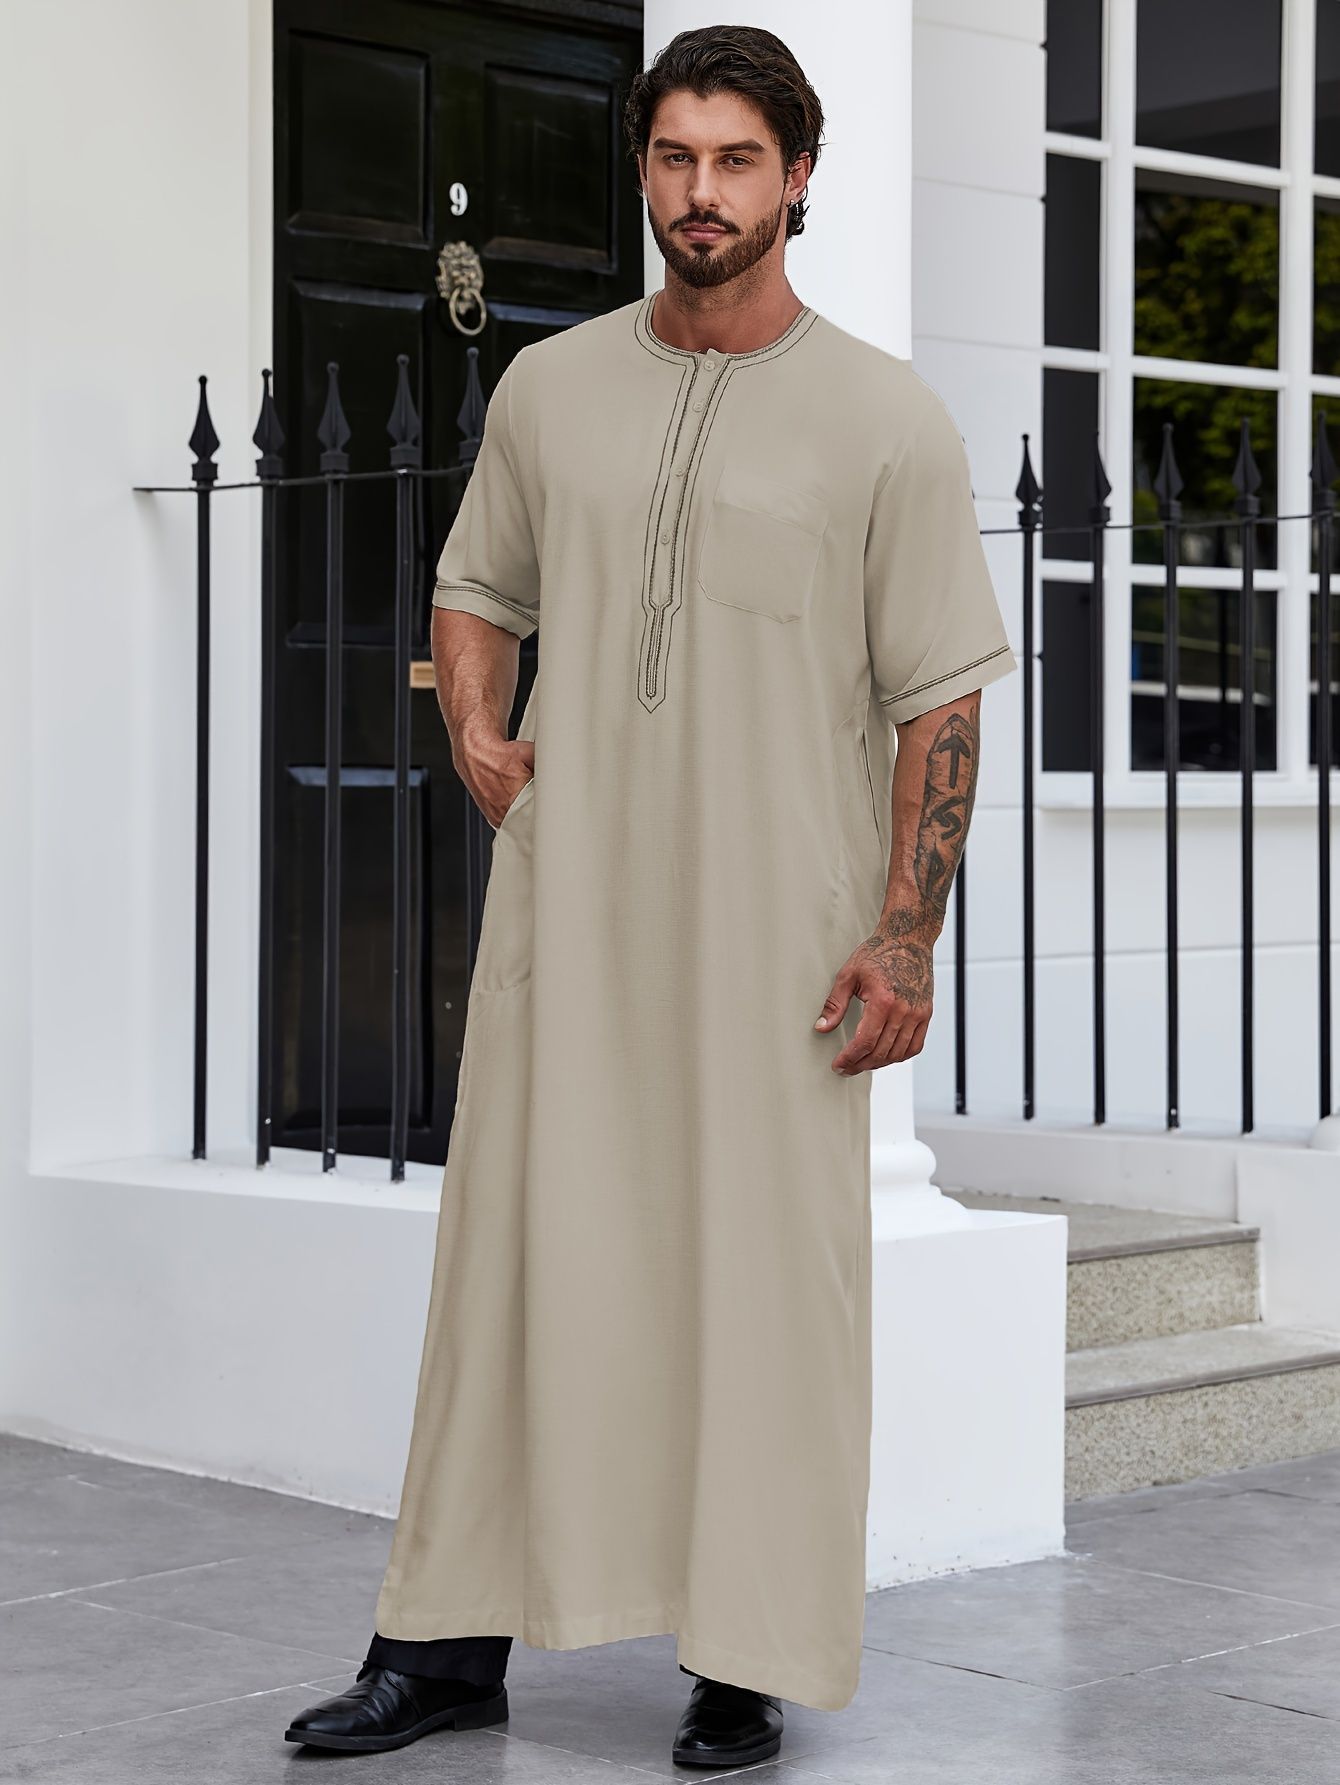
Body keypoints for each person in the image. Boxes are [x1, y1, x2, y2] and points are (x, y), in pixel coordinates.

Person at [284, 20, 1015, 1769]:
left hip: (779, 949)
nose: (703, 192)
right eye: (676, 157)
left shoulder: (888, 422)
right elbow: (478, 584)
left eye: (737, 161)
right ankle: (440, 1646)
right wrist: (478, 729)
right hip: (570, 930)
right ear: (643, 171)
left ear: (798, 178)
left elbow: (943, 700)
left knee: (764, 1296)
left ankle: (741, 1662)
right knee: (508, 1277)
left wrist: (905, 932)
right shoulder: (551, 390)